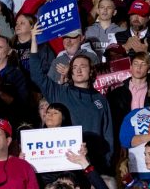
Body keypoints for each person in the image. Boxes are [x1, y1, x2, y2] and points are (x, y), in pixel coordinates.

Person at [30, 24, 113, 172]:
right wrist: (34, 41)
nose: (79, 70)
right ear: (70, 72)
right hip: (65, 166)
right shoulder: (59, 92)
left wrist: (107, 163)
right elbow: (37, 75)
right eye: (74, 67)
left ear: (91, 70)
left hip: (94, 166)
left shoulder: (101, 100)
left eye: (83, 66)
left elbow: (108, 135)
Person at [0, 35, 30, 124]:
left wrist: (2, 94)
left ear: (9, 51)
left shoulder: (17, 74)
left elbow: (23, 104)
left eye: (0, 47)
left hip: (9, 122)